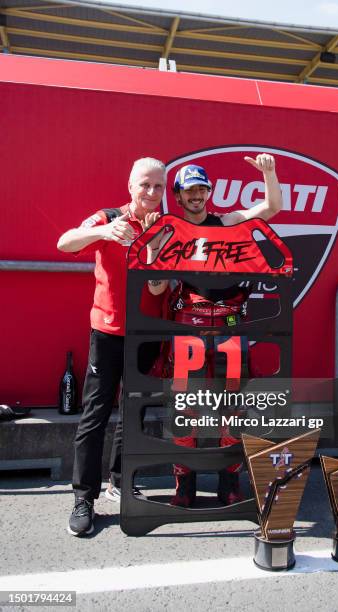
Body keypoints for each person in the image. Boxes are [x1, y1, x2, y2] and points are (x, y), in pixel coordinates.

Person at [146, 153, 283, 507]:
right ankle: (185, 487)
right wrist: (152, 248)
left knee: (233, 411)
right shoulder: (169, 231)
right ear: (177, 196)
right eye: (188, 191)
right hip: (186, 333)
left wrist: (269, 173)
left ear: (209, 192)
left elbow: (270, 208)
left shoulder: (228, 222)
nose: (195, 196)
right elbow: (157, 288)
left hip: (230, 331)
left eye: (201, 190)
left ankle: (229, 483)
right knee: (183, 411)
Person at [57, 157, 166, 536]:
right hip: (107, 331)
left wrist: (153, 248)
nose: (152, 194)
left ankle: (120, 482)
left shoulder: (168, 226)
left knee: (133, 411)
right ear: (131, 186)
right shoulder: (108, 217)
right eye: (145, 186)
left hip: (148, 333)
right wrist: (104, 234)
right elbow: (65, 241)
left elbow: (161, 287)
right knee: (95, 415)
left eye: (158, 187)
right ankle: (82, 498)